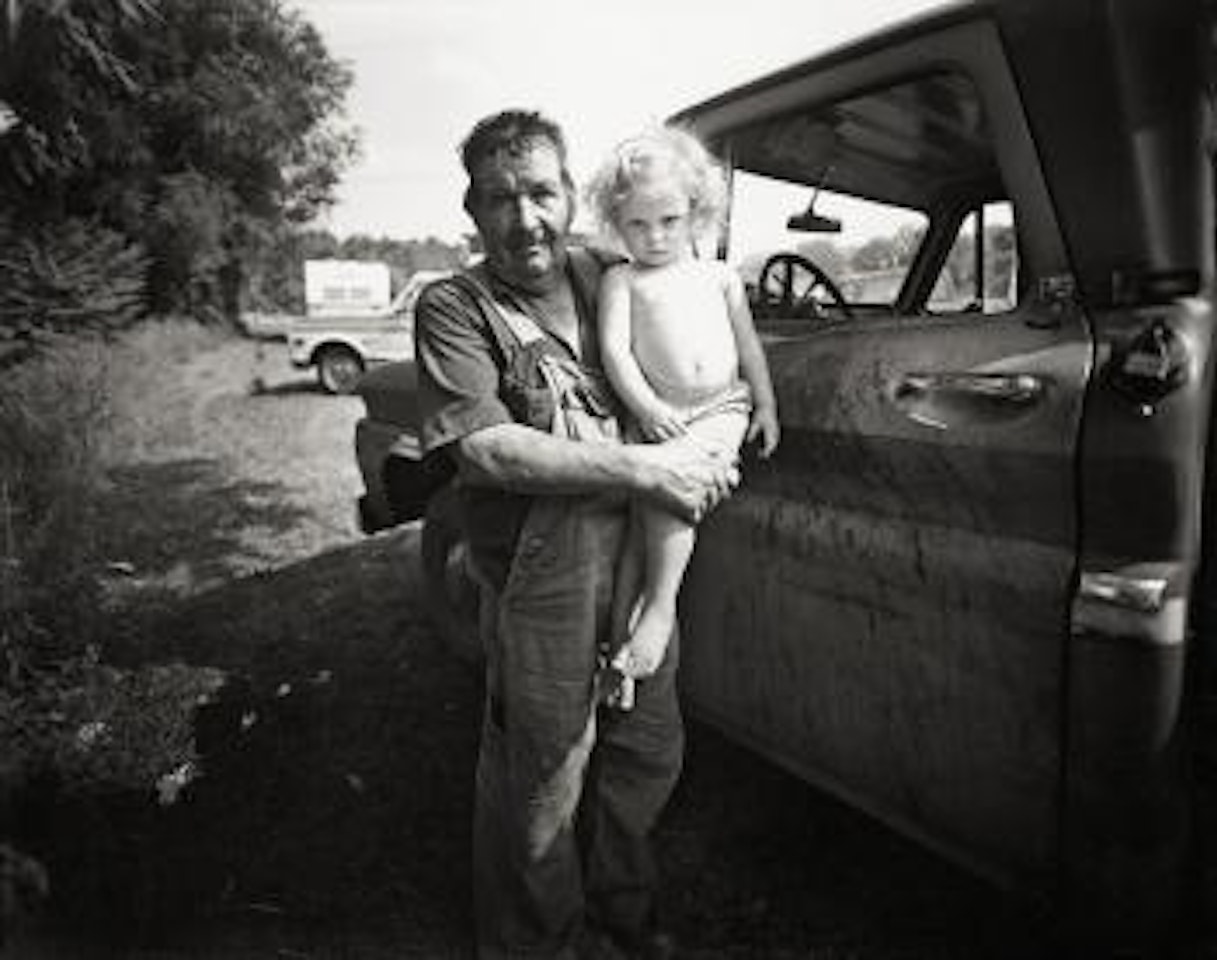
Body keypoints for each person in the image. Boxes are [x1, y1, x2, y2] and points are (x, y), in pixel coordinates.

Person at [413, 109, 739, 960]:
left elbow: (701, 326)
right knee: (544, 779)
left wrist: (719, 430)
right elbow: (485, 450)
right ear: (472, 209)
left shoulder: (610, 271)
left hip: (635, 558)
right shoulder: (455, 307)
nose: (525, 218)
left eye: (540, 192)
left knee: (646, 752)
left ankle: (621, 917)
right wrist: (648, 470)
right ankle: (541, 942)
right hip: (541, 578)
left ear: (568, 195)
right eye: (499, 199)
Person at [586, 126, 779, 709]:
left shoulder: (719, 277)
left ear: (696, 211)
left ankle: (660, 608)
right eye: (637, 225)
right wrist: (647, 407)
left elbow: (749, 349)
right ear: (617, 224)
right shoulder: (622, 279)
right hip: (659, 413)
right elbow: (616, 352)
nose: (655, 237)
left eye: (669, 220)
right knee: (638, 530)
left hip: (721, 408)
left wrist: (766, 405)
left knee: (670, 497)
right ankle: (618, 652)